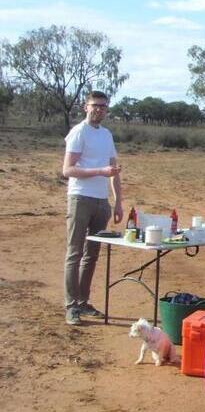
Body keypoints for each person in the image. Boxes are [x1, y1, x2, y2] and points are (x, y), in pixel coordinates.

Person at [62, 90, 123, 325]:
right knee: (74, 253)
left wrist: (118, 201)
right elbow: (67, 170)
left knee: (92, 255)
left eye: (103, 106)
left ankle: (83, 302)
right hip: (80, 198)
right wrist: (99, 172)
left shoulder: (106, 135)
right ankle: (71, 306)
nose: (99, 109)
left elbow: (113, 171)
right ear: (85, 107)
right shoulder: (79, 133)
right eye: (95, 105)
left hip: (101, 201)